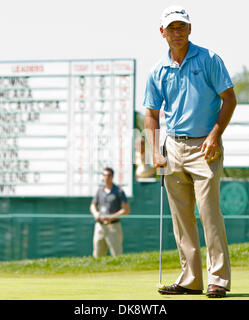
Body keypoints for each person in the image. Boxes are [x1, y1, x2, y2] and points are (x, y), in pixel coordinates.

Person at [143, 5, 237, 298]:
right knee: (181, 217)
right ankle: (191, 279)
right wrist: (154, 152)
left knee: (209, 214)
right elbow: (151, 114)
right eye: (171, 28)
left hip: (205, 147)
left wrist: (215, 135)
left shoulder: (209, 59)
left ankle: (218, 280)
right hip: (173, 147)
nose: (177, 32)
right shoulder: (158, 69)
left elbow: (230, 99)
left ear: (190, 29)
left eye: (181, 27)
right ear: (162, 33)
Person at [90, 168, 130, 258]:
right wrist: (96, 214)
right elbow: (92, 206)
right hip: (100, 226)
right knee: (97, 255)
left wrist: (112, 216)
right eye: (104, 175)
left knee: (117, 255)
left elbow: (126, 209)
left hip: (113, 226)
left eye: (108, 175)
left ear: (112, 176)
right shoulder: (99, 191)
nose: (106, 177)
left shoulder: (119, 191)